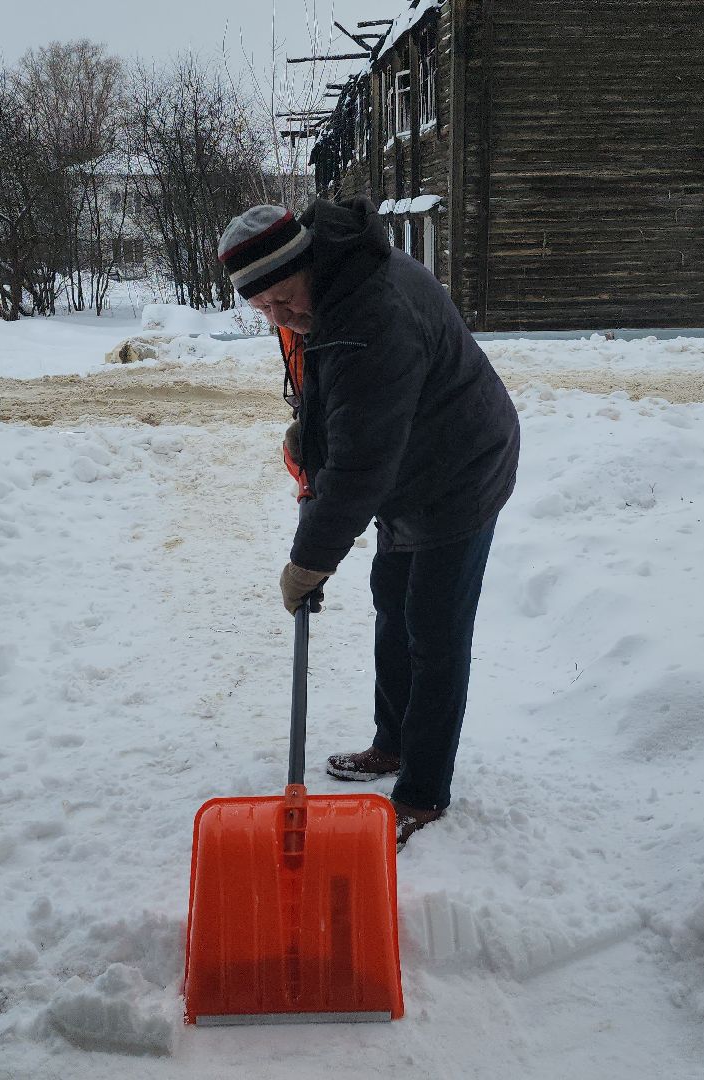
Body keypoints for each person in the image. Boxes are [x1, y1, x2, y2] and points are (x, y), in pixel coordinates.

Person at [216, 199, 520, 847]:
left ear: (307, 267)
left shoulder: (370, 313)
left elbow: (361, 466)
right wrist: (312, 437)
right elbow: (335, 388)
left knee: (434, 631)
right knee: (393, 601)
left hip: (459, 468)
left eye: (284, 299)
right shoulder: (331, 284)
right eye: (262, 309)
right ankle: (394, 744)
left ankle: (423, 792)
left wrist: (310, 561)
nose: (282, 318)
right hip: (412, 459)